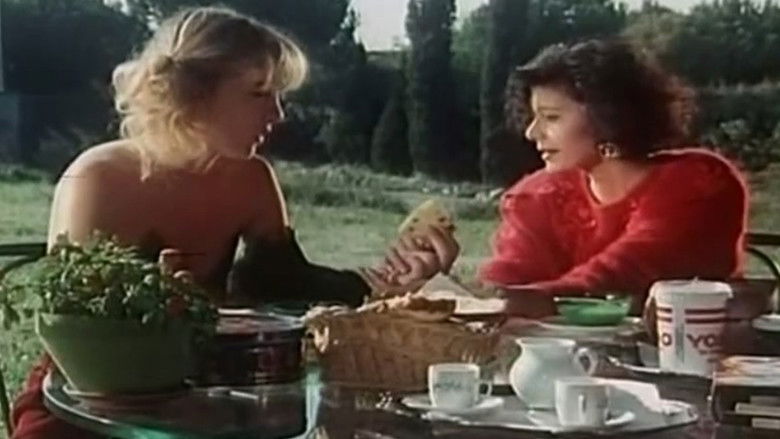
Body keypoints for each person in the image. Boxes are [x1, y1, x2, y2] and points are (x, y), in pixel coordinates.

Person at [10, 7, 439, 438]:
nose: (278, 113)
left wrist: (386, 286)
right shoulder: (97, 178)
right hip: (87, 402)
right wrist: (164, 305)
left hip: (207, 396)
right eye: (258, 93)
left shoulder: (253, 178)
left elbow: (286, 286)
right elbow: (70, 327)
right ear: (191, 93)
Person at [384, 38, 748, 318]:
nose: (531, 133)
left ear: (609, 117)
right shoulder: (538, 195)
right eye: (532, 117)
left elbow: (611, 280)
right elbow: (507, 285)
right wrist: (435, 284)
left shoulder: (698, 184)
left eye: (552, 117)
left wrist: (466, 298)